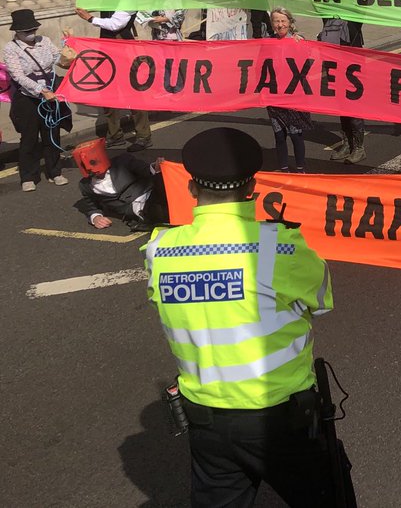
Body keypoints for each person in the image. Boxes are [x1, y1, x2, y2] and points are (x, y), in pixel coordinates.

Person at [144, 127, 345, 507]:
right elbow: (321, 300)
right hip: (280, 420)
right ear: (253, 187)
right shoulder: (278, 245)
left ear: (191, 188)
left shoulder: (159, 249)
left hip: (205, 421)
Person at [4, 9, 73, 191]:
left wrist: (68, 46)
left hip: (50, 93)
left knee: (52, 134)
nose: (31, 34)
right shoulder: (11, 49)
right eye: (27, 31)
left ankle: (55, 172)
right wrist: (40, 90)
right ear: (17, 32)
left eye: (33, 29)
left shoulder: (44, 42)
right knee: (29, 138)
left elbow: (58, 58)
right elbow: (18, 76)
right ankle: (28, 176)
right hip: (28, 98)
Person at [75, 6, 153, 151]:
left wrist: (90, 18)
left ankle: (143, 136)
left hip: (124, 51)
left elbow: (116, 24)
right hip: (107, 49)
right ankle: (115, 135)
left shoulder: (128, 0)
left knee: (133, 94)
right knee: (108, 94)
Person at [74, 140, 167, 231]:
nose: (91, 168)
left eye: (93, 162)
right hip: (139, 209)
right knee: (161, 212)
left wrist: (155, 167)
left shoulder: (122, 161)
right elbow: (92, 207)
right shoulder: (85, 185)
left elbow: (145, 170)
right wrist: (95, 217)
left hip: (151, 193)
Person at [266, 8, 314, 172]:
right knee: (279, 135)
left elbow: (307, 65)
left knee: (296, 134)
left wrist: (302, 47)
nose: (280, 25)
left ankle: (301, 168)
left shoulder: (298, 41)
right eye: (276, 21)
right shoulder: (268, 42)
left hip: (295, 95)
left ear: (290, 22)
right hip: (274, 96)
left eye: (283, 21)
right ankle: (284, 169)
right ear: (272, 23)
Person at [317, 17, 367, 164]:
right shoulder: (328, 11)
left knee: (353, 105)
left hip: (353, 64)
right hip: (334, 61)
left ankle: (359, 147)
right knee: (341, 106)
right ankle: (347, 144)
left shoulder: (353, 13)